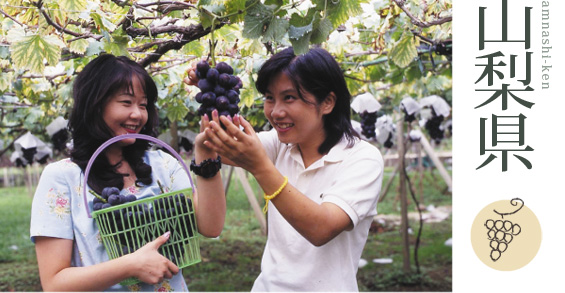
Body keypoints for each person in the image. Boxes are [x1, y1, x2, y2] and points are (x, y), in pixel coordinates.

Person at [188, 47, 383, 291]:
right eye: (270, 98)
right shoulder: (279, 145)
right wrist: (210, 90)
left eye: (289, 98)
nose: (276, 112)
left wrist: (261, 168)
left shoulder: (362, 159)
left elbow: (321, 229)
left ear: (327, 102)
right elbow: (220, 140)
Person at [30, 54, 226, 291]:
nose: (137, 114)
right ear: (94, 104)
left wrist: (206, 156)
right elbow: (54, 284)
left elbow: (211, 226)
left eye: (143, 105)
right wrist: (129, 266)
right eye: (126, 102)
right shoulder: (62, 178)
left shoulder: (163, 165)